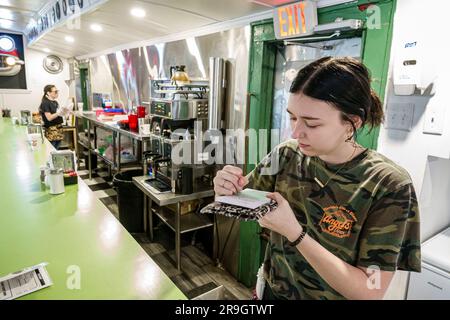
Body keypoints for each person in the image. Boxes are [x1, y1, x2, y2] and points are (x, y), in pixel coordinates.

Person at [213, 57, 421, 300]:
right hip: (273, 292)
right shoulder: (287, 154)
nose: (296, 132)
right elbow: (235, 200)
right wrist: (225, 187)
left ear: (352, 123)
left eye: (311, 124)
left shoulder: (388, 185)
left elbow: (370, 291)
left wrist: (295, 233)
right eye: (292, 117)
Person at [38, 85, 70, 150]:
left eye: (57, 91)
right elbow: (49, 118)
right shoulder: (45, 103)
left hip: (59, 129)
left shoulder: (55, 102)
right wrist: (59, 112)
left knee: (56, 149)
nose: (57, 93)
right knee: (52, 150)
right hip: (52, 131)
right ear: (48, 93)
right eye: (55, 91)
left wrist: (65, 112)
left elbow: (57, 115)